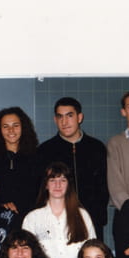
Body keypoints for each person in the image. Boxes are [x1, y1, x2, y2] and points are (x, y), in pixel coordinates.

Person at [36, 97, 108, 238]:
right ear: (55, 120)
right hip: (56, 223)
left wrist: (97, 216)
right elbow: (41, 190)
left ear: (79, 117)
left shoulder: (96, 148)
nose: (64, 122)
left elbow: (103, 187)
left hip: (91, 220)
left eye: (69, 116)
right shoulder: (45, 151)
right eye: (60, 117)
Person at [22, 161, 95, 258]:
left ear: (69, 185)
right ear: (46, 184)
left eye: (63, 180)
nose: (58, 185)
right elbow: (26, 255)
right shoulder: (32, 218)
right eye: (52, 180)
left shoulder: (83, 215)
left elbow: (93, 250)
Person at [0, 107, 39, 216]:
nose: (11, 130)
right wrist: (1, 204)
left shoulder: (37, 156)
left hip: (30, 216)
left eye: (16, 125)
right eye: (6, 126)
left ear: (23, 127)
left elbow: (40, 191)